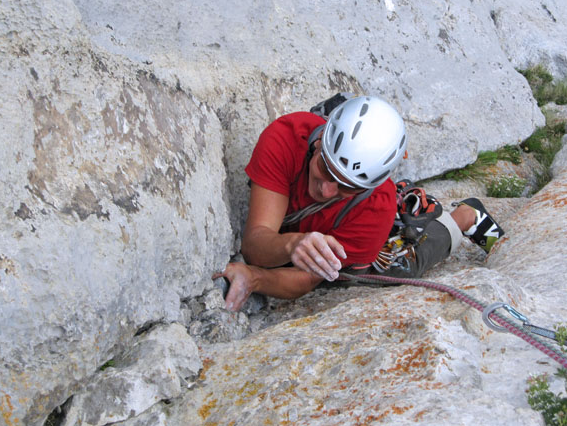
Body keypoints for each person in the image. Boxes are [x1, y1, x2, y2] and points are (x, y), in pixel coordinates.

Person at [215, 95, 504, 311]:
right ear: (319, 145)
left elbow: (307, 280)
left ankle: (465, 217)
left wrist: (254, 278)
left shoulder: (375, 205)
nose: (327, 190)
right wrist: (292, 245)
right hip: (308, 228)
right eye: (326, 170)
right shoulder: (287, 138)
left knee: (401, 267)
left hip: (360, 222)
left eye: (347, 187)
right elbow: (256, 244)